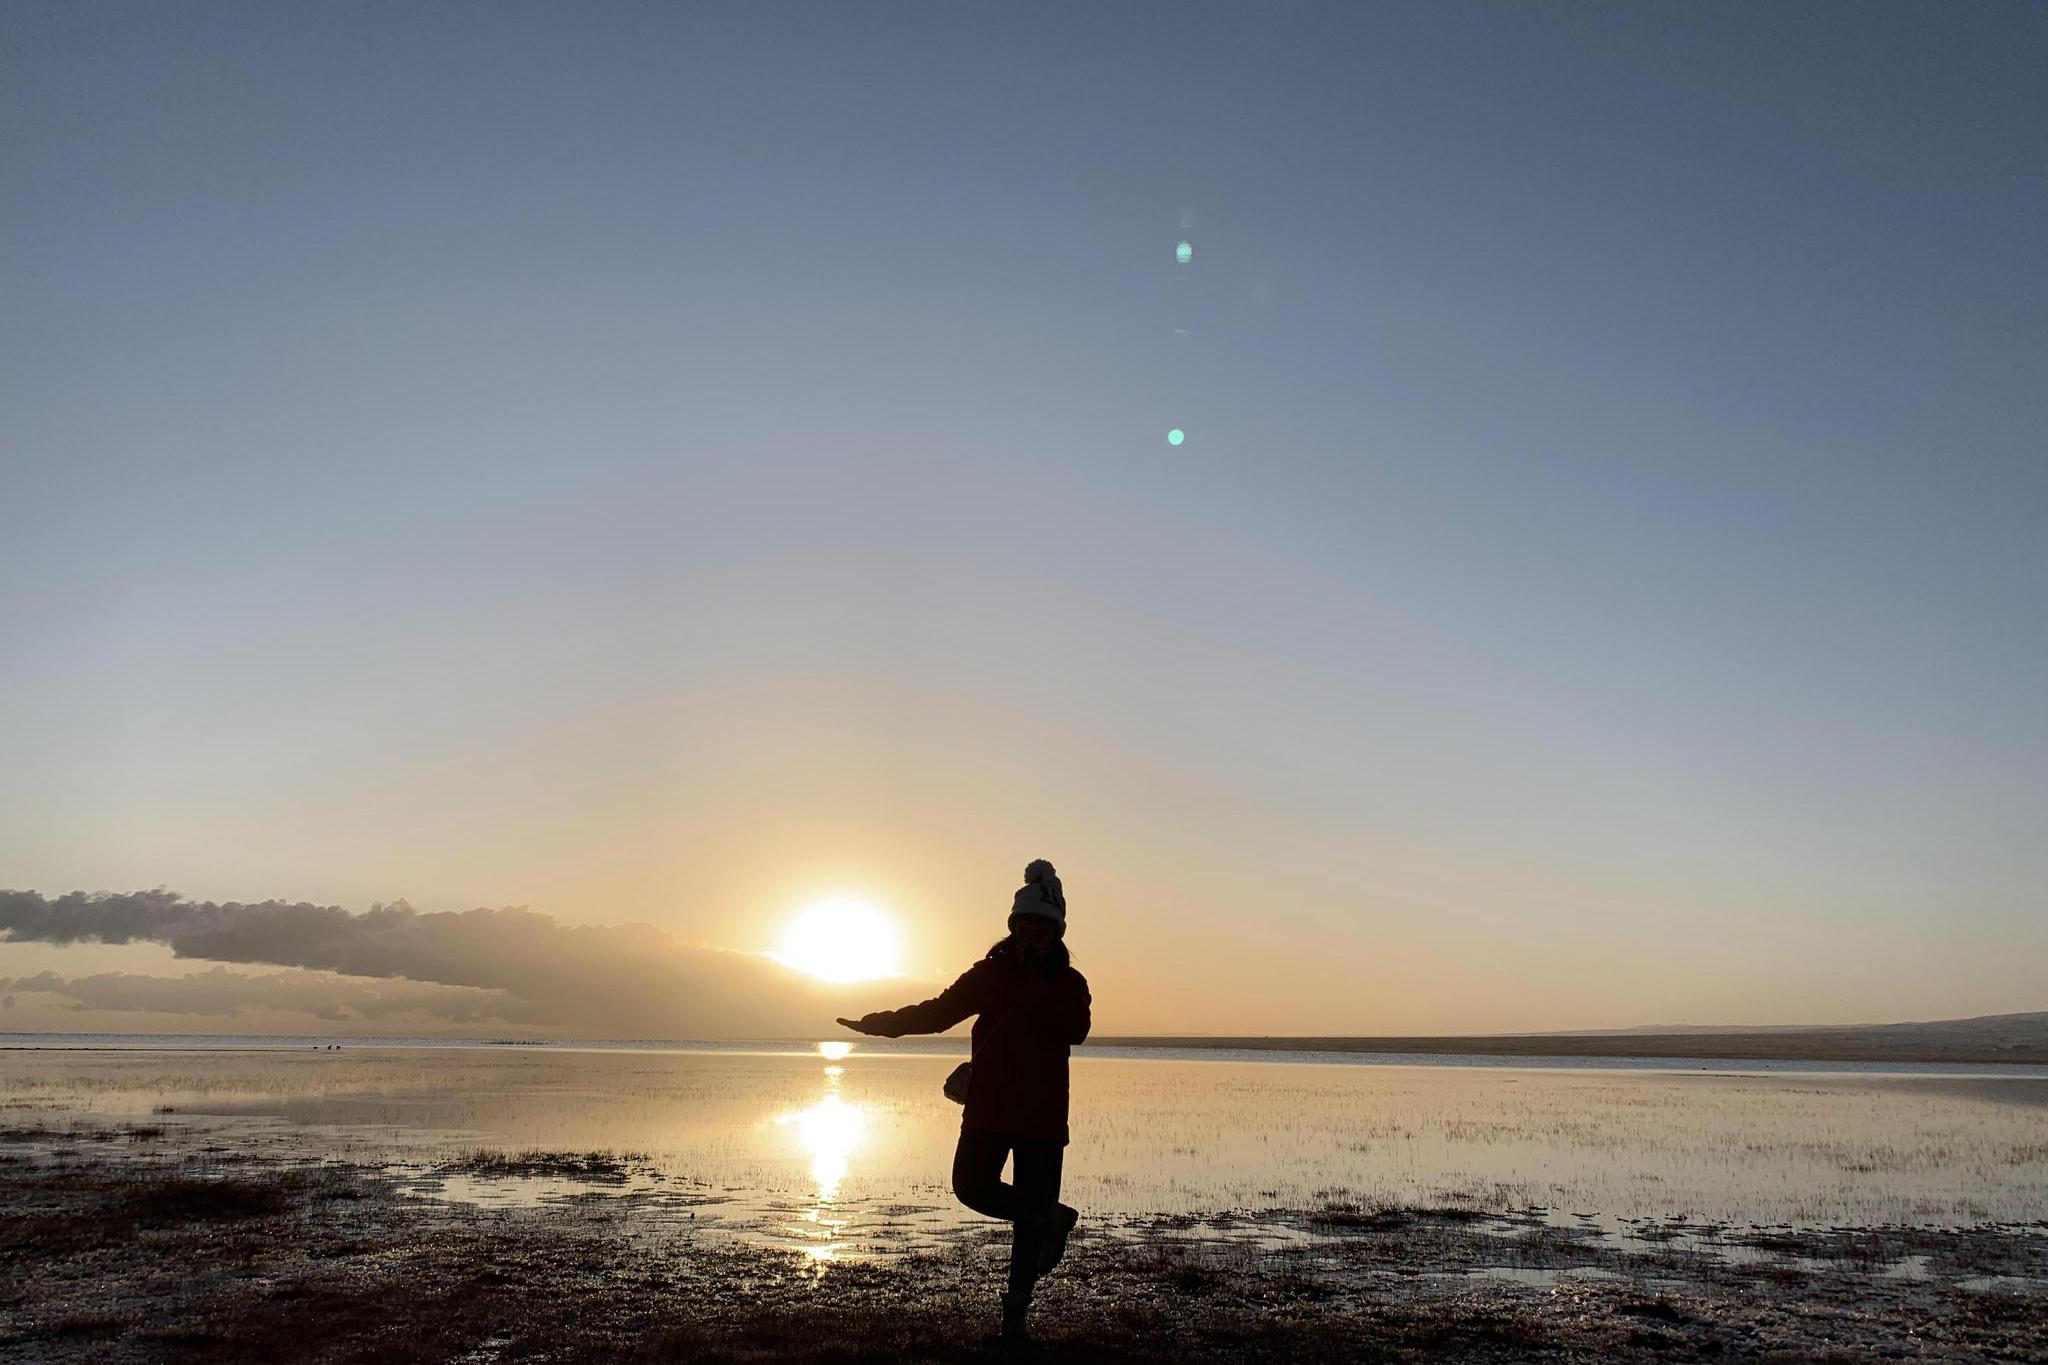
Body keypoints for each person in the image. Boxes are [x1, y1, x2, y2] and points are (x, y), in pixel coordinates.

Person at [837, 859, 1091, 1344]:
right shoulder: (989, 974)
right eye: (1026, 922)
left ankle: (1014, 1321)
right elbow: (938, 1013)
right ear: (1013, 925)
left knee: (1025, 1229)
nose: (1034, 931)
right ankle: (1050, 1215)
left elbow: (1076, 1030)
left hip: (1041, 1115)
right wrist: (879, 1024)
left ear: (1058, 930)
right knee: (971, 1186)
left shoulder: (1070, 983)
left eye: (1043, 924)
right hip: (989, 1109)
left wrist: (1036, 984)